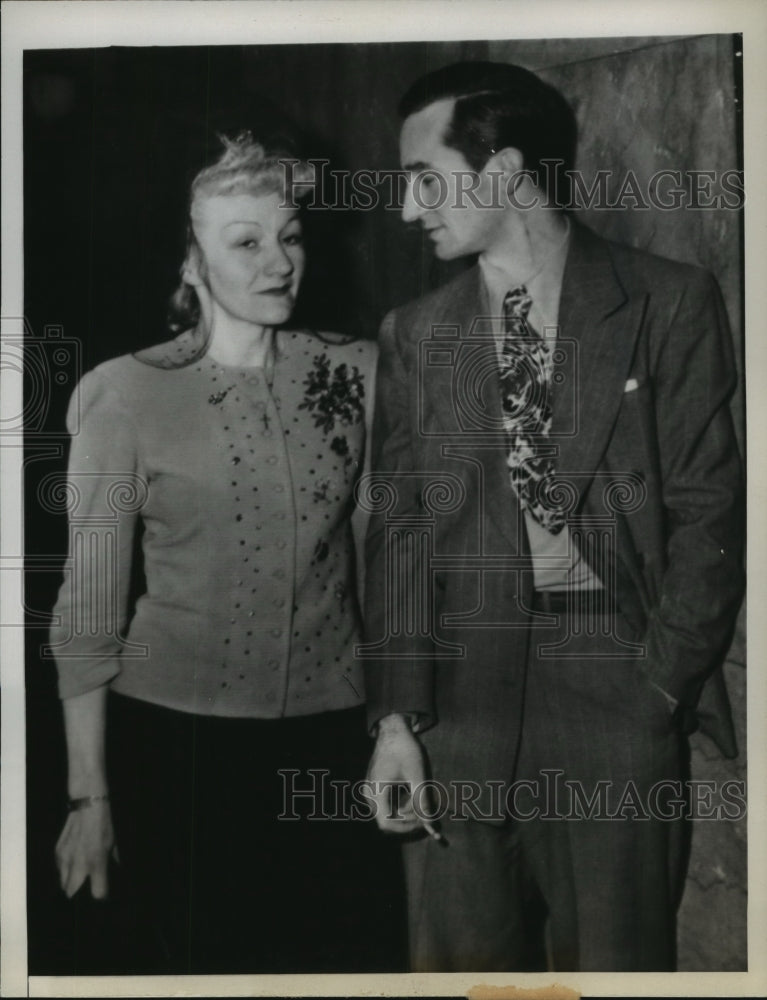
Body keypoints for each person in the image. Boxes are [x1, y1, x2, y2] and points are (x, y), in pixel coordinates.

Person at [363, 62, 744, 972]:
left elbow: (708, 511)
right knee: (461, 974)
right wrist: (393, 722)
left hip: (615, 689)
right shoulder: (416, 332)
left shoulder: (666, 300)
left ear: (500, 172)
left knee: (615, 967)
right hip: (458, 710)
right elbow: (399, 533)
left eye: (425, 178)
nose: (410, 210)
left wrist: (658, 690)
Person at [50, 130, 402, 974]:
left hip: (329, 737)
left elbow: (389, 564)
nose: (277, 261)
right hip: (179, 748)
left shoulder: (361, 375)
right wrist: (89, 794)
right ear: (192, 263)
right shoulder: (125, 394)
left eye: (289, 235)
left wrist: (395, 725)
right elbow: (90, 610)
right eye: (244, 242)